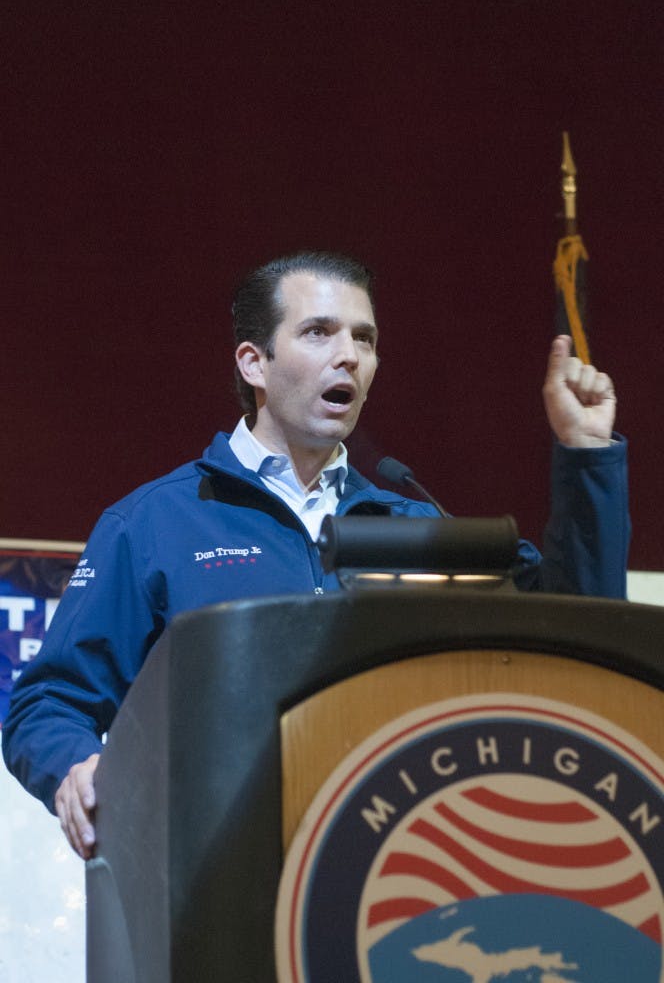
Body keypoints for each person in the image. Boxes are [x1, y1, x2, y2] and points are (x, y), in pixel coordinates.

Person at [2, 250, 629, 859]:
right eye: (318, 332)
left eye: (365, 338)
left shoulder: (412, 522)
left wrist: (588, 457)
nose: (349, 357)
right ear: (255, 363)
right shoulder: (156, 523)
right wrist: (72, 768)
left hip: (391, 866)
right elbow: (48, 702)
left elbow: (573, 628)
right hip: (216, 868)